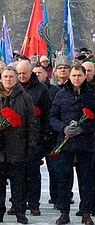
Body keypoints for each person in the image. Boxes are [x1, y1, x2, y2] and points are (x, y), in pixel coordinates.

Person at [0, 66, 37, 224]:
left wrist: (31, 144)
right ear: (0, 78)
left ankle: (20, 211)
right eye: (5, 76)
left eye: (11, 77)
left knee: (18, 183)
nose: (8, 79)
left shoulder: (25, 98)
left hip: (17, 146)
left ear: (16, 78)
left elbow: (32, 123)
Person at [49, 65, 95, 225]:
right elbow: (52, 117)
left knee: (86, 180)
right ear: (69, 76)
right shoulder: (61, 94)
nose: (76, 78)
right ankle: (64, 212)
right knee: (64, 179)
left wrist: (84, 128)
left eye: (79, 75)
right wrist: (63, 127)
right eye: (74, 75)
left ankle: (86, 212)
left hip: (85, 144)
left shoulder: (92, 94)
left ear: (85, 76)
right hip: (65, 143)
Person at [15, 60, 51, 216]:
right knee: (16, 174)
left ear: (31, 73)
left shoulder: (41, 90)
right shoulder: (12, 88)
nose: (22, 76)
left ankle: (34, 203)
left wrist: (44, 136)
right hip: (15, 139)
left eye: (25, 73)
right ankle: (17, 203)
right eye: (19, 73)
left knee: (33, 173)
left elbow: (47, 114)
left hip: (34, 138)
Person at [33, 64, 61, 209]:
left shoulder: (55, 91)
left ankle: (56, 198)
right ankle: (32, 201)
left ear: (46, 74)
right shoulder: (30, 90)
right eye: (35, 72)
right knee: (32, 170)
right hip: (35, 135)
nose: (37, 75)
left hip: (51, 135)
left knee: (54, 169)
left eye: (40, 72)